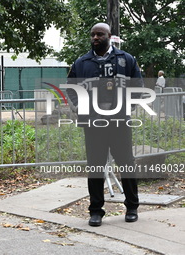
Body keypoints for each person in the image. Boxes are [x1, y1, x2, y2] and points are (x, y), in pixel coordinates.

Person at [66, 23, 141, 227]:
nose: (95, 37)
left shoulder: (126, 59)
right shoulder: (82, 62)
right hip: (94, 124)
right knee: (96, 166)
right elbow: (71, 88)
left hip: (119, 123)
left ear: (109, 35)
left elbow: (138, 86)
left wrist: (129, 107)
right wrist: (78, 107)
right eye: (92, 35)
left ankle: (132, 207)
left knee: (126, 163)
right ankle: (96, 211)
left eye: (99, 34)